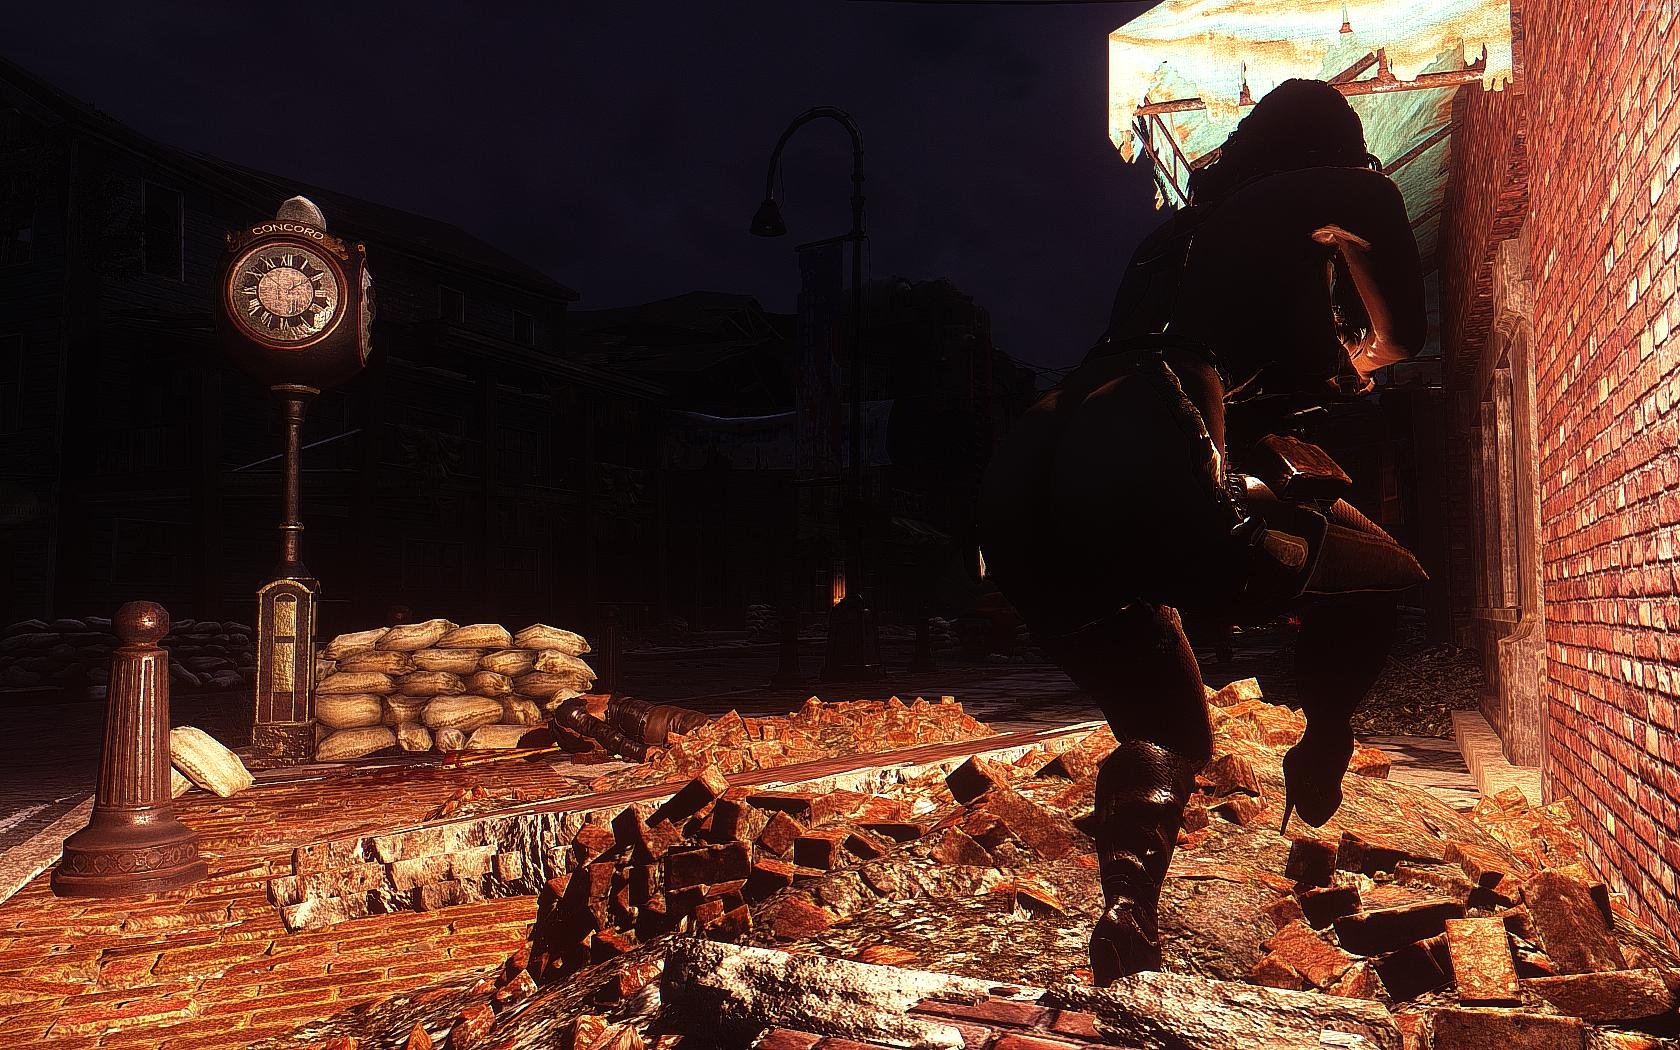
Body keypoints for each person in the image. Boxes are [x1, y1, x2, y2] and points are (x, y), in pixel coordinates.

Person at [977, 79, 1428, 984]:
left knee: (1166, 726)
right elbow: (1399, 338)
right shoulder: (1345, 190)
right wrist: (1355, 357)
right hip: (1155, 434)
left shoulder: (1171, 238)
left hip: (1030, 465)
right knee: (1384, 572)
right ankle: (1324, 741)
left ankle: (1127, 908)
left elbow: (1200, 346)